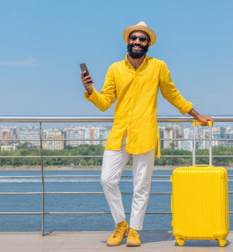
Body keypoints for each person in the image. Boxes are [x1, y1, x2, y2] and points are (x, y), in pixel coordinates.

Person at [80, 21, 212, 247]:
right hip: (119, 134)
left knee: (141, 186)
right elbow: (104, 103)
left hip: (145, 134)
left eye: (142, 39)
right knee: (107, 180)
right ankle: (120, 224)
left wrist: (196, 115)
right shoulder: (115, 69)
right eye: (134, 38)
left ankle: (134, 231)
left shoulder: (158, 66)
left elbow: (172, 94)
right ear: (128, 42)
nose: (137, 42)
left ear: (148, 43)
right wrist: (90, 90)